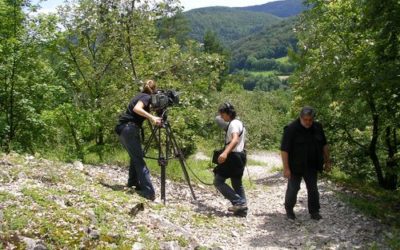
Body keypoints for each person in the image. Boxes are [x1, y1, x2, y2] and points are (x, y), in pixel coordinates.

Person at [280, 106, 331, 220]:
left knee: (313, 188)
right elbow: (284, 150)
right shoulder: (291, 129)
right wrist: (286, 168)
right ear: (301, 117)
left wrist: (327, 161)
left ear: (313, 118)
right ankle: (289, 210)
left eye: (310, 120)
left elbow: (324, 145)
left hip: (312, 165)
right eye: (305, 120)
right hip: (295, 166)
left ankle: (314, 212)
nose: (308, 122)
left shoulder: (318, 127)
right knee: (293, 188)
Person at [115, 80, 162, 201]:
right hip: (129, 128)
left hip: (123, 129)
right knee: (139, 161)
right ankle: (149, 192)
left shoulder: (139, 95)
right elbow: (137, 109)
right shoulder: (146, 97)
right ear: (154, 92)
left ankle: (132, 183)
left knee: (135, 157)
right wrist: (152, 117)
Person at [213, 102, 247, 216]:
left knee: (218, 181)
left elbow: (235, 140)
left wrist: (225, 153)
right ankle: (242, 210)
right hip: (240, 156)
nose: (221, 117)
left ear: (227, 113)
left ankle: (239, 202)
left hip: (233, 157)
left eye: (222, 114)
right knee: (237, 183)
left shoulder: (233, 124)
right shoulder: (239, 123)